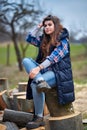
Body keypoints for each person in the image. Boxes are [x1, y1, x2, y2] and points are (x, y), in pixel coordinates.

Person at [22, 15, 75, 129]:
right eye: (45, 26)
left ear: (56, 26)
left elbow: (54, 58)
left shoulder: (63, 40)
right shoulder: (43, 40)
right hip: (44, 73)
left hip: (58, 74)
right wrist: (38, 26)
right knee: (26, 60)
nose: (47, 27)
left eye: (50, 25)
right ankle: (41, 80)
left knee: (34, 84)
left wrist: (38, 68)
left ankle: (38, 117)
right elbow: (30, 38)